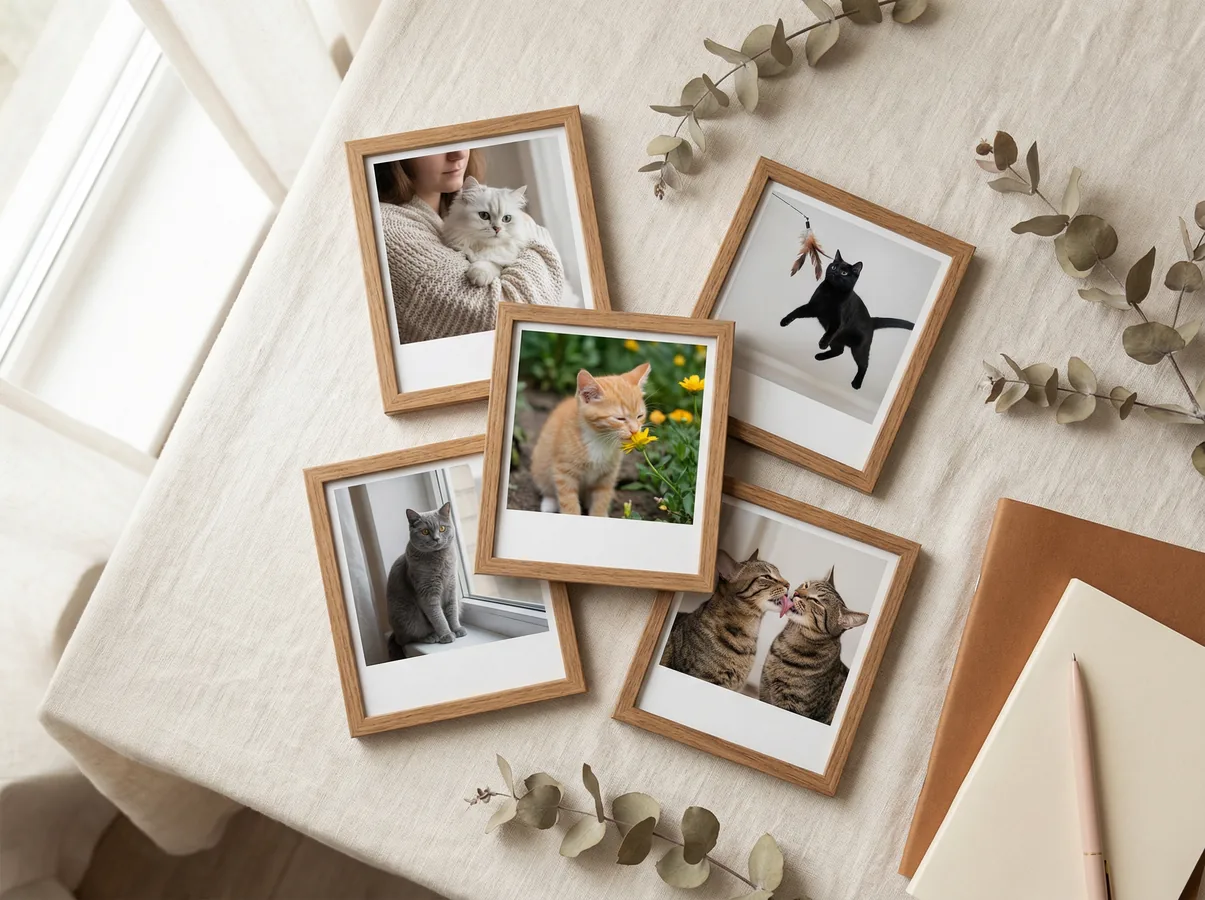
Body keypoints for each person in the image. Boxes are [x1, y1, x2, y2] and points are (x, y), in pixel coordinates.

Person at [376, 149, 565, 344]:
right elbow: (512, 318)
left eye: (461, 139)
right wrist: (532, 231)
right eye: (437, 142)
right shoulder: (388, 225)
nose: (457, 153)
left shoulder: (447, 216)